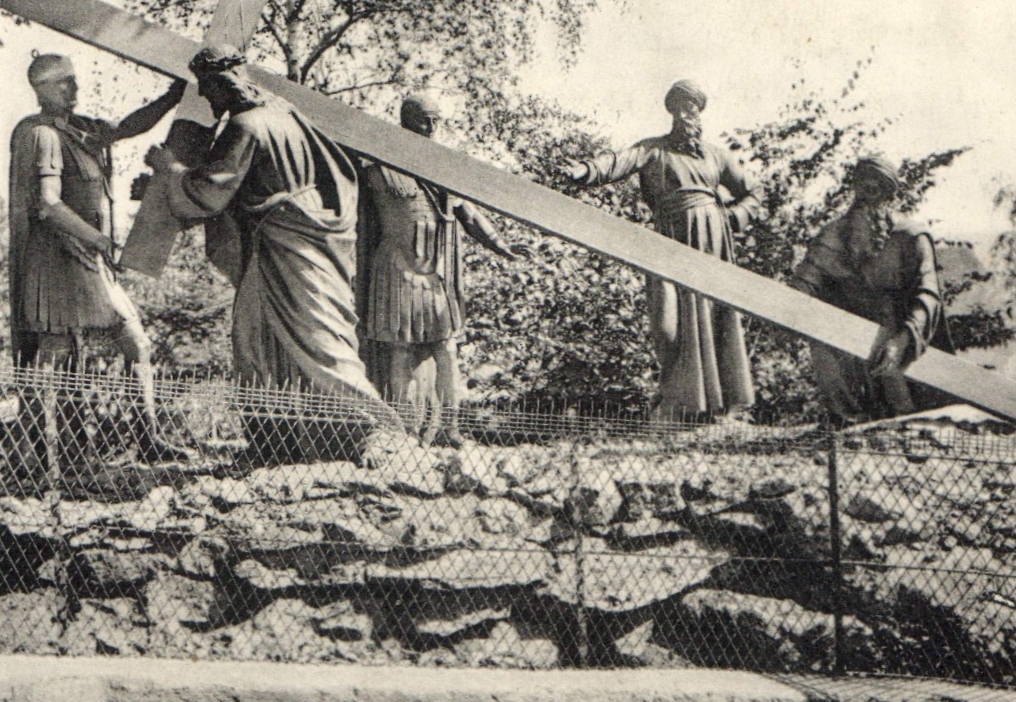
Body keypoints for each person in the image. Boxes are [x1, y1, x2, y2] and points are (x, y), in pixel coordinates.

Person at [133, 45, 402, 463]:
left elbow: (209, 192)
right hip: (286, 243)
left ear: (224, 82)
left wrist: (168, 168)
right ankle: (276, 442)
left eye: (207, 89)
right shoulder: (288, 112)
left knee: (320, 339)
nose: (205, 99)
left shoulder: (247, 125)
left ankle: (376, 428)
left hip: (292, 247)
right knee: (255, 339)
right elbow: (259, 187)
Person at [7, 52, 188, 478]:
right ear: (41, 89)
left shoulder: (82, 129)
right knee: (56, 359)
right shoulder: (40, 135)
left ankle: (147, 438)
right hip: (56, 261)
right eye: (62, 83)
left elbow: (127, 128)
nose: (73, 89)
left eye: (73, 80)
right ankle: (42, 456)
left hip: (90, 259)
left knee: (135, 343)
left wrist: (173, 96)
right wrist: (102, 240)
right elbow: (48, 205)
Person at [564, 79, 761, 423]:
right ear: (671, 111)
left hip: (712, 240)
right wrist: (585, 171)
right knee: (666, 325)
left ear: (700, 113)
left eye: (694, 107)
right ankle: (677, 398)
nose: (688, 113)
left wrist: (732, 218)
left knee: (718, 318)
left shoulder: (717, 155)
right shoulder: (653, 149)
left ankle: (720, 410)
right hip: (668, 240)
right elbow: (617, 162)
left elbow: (753, 193)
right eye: (682, 106)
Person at [357, 92, 521, 445]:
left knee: (446, 349)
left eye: (437, 120)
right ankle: (406, 430)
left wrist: (500, 245)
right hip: (396, 268)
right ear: (405, 120)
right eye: (424, 120)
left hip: (435, 273)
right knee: (399, 351)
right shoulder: (375, 167)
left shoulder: (442, 167)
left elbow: (468, 213)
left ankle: (450, 428)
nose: (431, 127)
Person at [790, 154, 948, 423]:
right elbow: (805, 282)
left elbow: (928, 294)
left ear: (890, 192)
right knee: (822, 340)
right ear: (855, 188)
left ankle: (903, 418)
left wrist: (902, 341)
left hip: (897, 330)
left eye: (878, 186)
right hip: (846, 334)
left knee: (895, 386)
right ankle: (847, 421)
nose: (869, 193)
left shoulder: (911, 237)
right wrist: (789, 308)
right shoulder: (832, 236)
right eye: (863, 185)